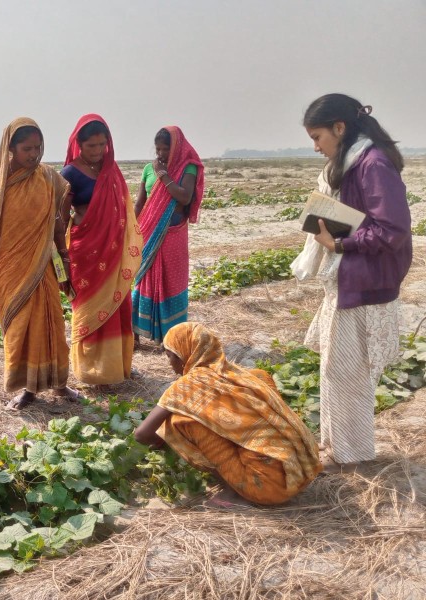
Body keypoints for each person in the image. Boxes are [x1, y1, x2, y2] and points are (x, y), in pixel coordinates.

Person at [296, 93, 412, 467]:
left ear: (339, 128)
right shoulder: (353, 162)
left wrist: (341, 243)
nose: (315, 147)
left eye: (318, 137)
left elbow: (393, 230)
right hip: (350, 281)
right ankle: (337, 447)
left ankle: (351, 455)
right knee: (336, 369)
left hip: (364, 284)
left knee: (350, 373)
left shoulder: (372, 164)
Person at [134, 322, 322, 506]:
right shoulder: (236, 373)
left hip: (267, 487)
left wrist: (163, 441)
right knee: (260, 376)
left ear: (183, 355)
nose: (170, 364)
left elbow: (141, 434)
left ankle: (233, 491)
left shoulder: (188, 385)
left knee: (179, 421)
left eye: (170, 357)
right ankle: (245, 470)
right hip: (302, 471)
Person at [0, 117, 81, 410]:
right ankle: (28, 389)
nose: (34, 154)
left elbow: (58, 222)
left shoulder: (49, 178)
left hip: (43, 265)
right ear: (11, 148)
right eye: (26, 148)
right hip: (9, 266)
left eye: (38, 147)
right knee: (18, 327)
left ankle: (59, 384)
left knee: (53, 324)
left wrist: (65, 259)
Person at [60, 114, 142, 385]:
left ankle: (115, 366)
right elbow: (60, 218)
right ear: (78, 145)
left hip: (113, 250)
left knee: (117, 304)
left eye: (101, 145)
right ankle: (91, 371)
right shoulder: (70, 173)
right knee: (88, 306)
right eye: (91, 146)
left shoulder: (112, 171)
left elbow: (122, 210)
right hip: (86, 251)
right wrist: (60, 256)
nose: (97, 151)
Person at [132, 126, 204, 348]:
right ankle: (134, 333)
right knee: (142, 279)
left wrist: (164, 176)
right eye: (158, 149)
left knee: (172, 281)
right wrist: (131, 230)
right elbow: (140, 202)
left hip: (174, 234)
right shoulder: (148, 169)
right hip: (148, 232)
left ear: (177, 148)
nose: (161, 154)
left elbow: (184, 197)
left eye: (166, 149)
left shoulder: (187, 167)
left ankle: (171, 338)